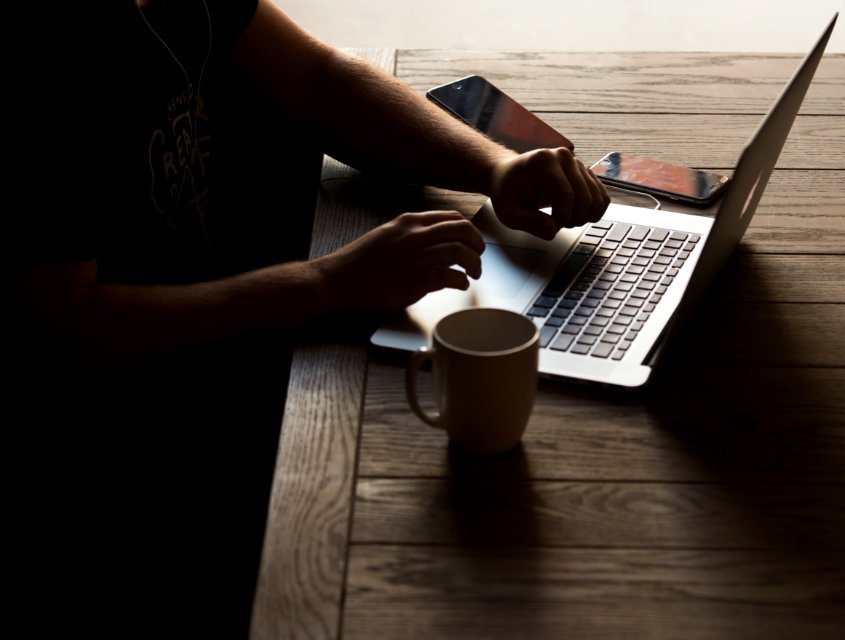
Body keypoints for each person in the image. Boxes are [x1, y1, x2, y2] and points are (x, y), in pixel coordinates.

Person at [6, 1, 609, 636]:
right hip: (136, 431)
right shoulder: (46, 62)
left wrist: (494, 166)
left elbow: (318, 79)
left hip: (260, 325)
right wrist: (327, 282)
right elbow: (64, 325)